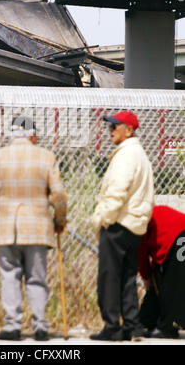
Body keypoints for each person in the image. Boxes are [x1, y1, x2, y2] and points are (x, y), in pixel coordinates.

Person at [0, 115, 67, 341]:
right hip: (38, 228)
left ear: (12, 134)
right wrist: (59, 219)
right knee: (37, 278)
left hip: (7, 227)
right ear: (32, 135)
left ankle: (12, 326)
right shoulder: (46, 157)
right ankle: (40, 326)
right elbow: (58, 194)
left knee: (10, 277)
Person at [90, 110, 154, 341]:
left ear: (129, 130)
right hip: (135, 226)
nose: (110, 130)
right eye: (110, 126)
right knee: (127, 276)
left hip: (118, 222)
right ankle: (132, 326)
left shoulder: (126, 155)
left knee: (109, 276)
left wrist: (102, 218)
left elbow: (117, 190)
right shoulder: (140, 154)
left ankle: (112, 327)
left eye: (115, 126)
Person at [138, 205, 185, 338]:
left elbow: (142, 255)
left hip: (176, 240)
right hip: (179, 235)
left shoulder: (139, 223)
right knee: (172, 279)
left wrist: (146, 277)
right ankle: (148, 319)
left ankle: (167, 326)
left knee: (171, 284)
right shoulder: (155, 211)